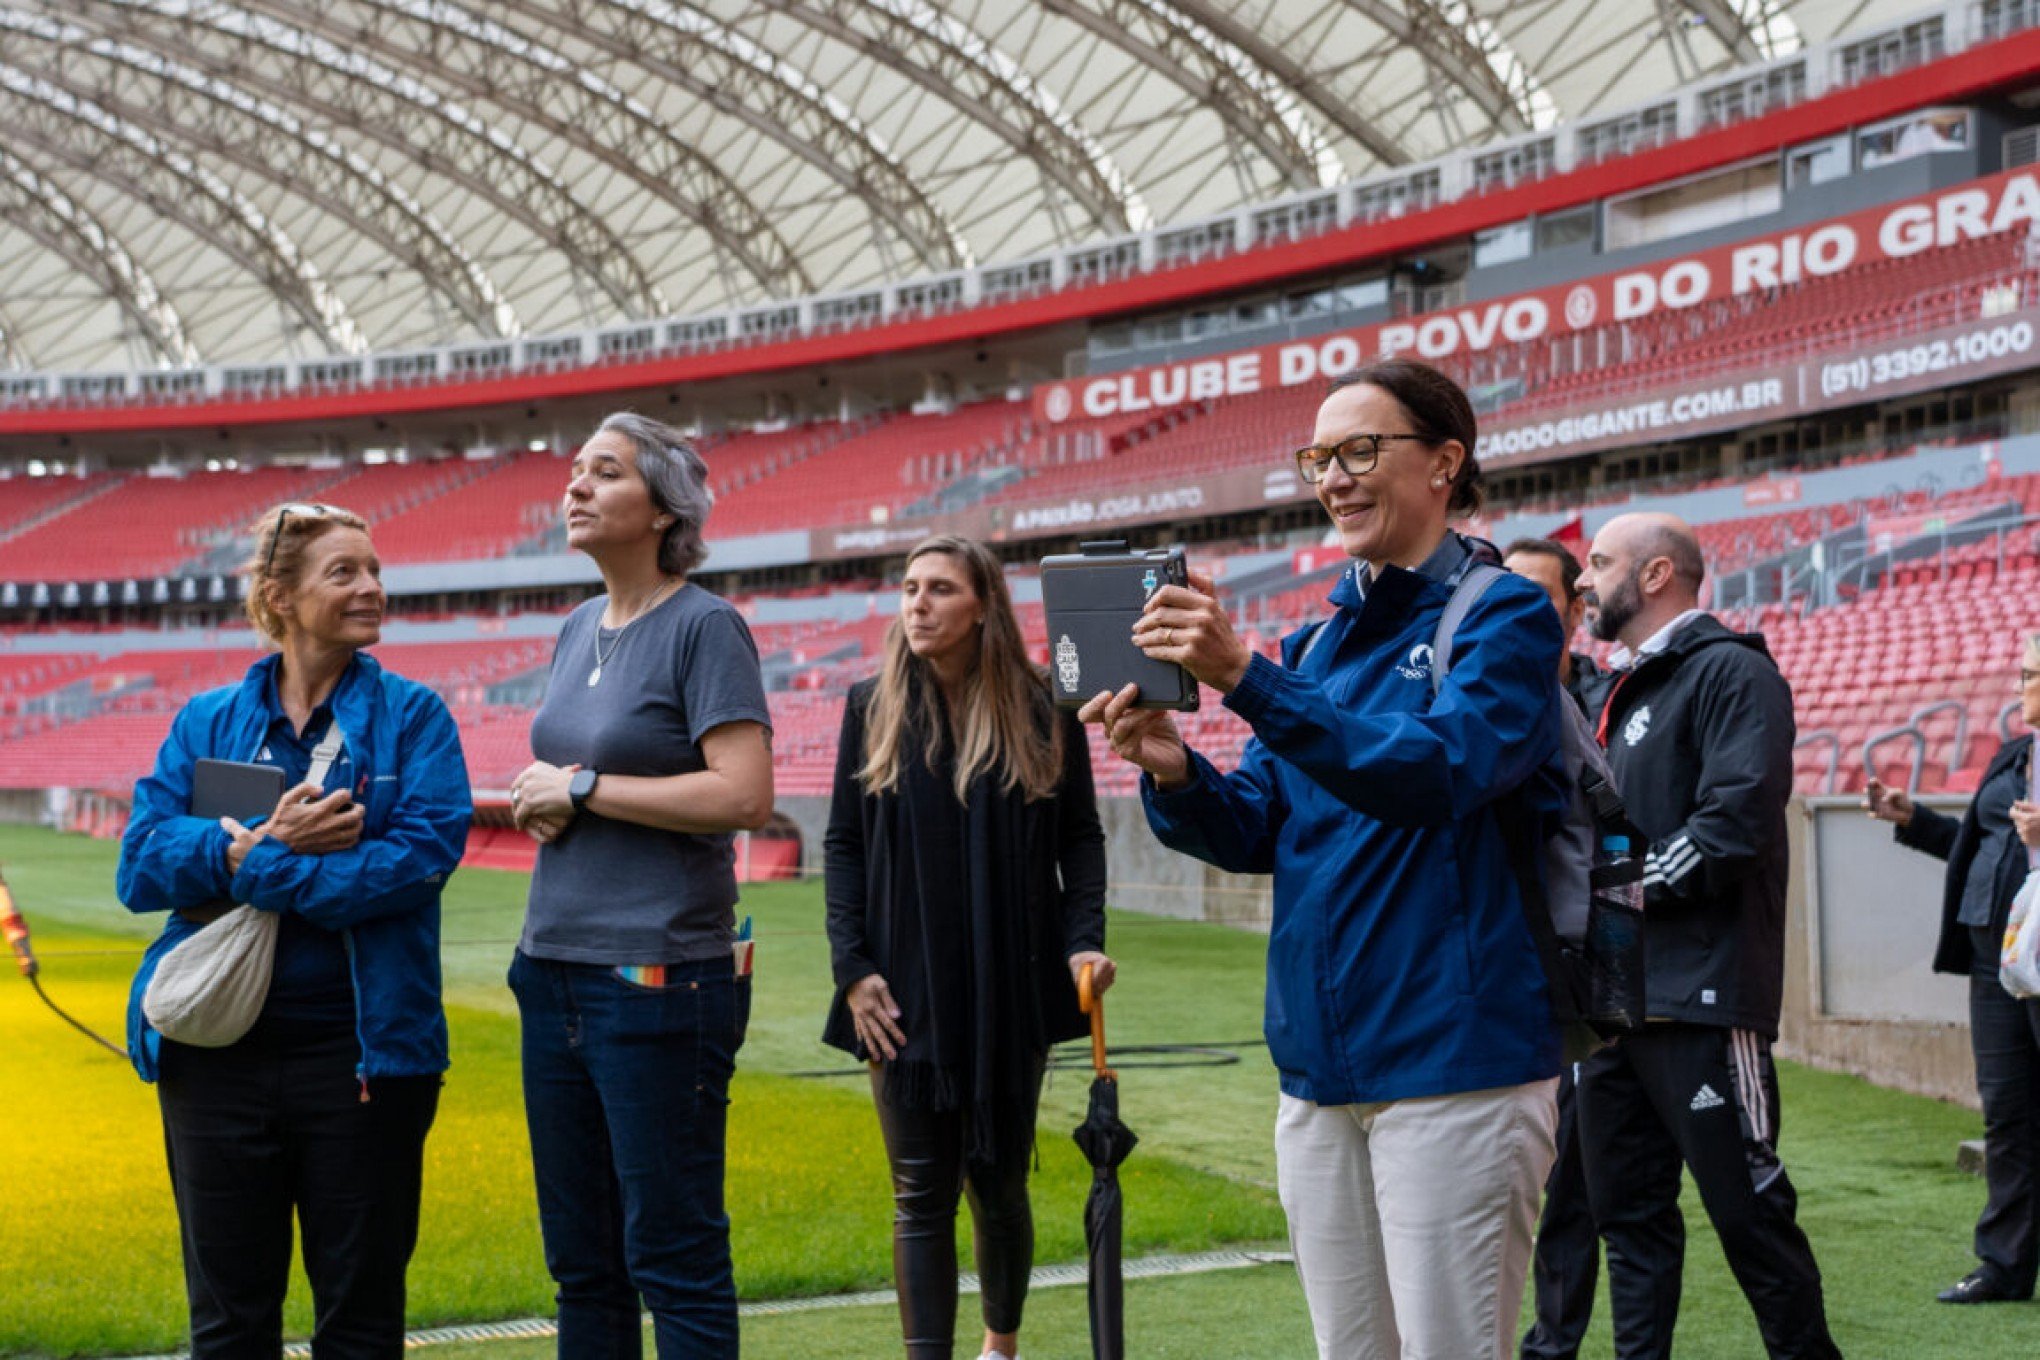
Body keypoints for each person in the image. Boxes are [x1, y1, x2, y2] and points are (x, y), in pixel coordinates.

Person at [1083, 358, 1567, 1358]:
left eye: (1360, 450)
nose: (1334, 478)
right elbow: (1260, 825)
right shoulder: (1317, 645)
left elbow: (1439, 770)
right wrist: (1176, 772)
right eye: (1318, 458)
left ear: (1444, 463)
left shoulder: (1504, 613)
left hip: (1456, 1065)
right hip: (1314, 1069)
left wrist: (1248, 679)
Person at [117, 501, 473, 1360]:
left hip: (364, 1058)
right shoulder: (207, 720)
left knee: (360, 1321)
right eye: (343, 572)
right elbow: (139, 866)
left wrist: (259, 866)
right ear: (279, 596)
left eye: (374, 569)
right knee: (229, 1321)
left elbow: (418, 859)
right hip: (214, 1060)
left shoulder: (415, 718)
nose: (372, 588)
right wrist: (250, 851)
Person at [507, 413, 774, 1360]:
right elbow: (595, 791)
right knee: (582, 1265)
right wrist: (557, 802)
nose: (575, 487)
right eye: (575, 470)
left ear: (665, 510)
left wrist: (582, 788)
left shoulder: (705, 626)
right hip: (551, 970)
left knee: (673, 1255)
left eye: (605, 473)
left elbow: (744, 794)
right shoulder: (578, 625)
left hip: (657, 979)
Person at [823, 534, 1114, 1360]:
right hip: (899, 990)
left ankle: (1001, 1346)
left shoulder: (1041, 706)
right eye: (910, 588)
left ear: (982, 604)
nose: (917, 603)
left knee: (998, 1184)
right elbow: (844, 846)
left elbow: (1081, 839)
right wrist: (854, 969)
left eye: (940, 589)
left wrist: (1081, 943)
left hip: (1010, 983)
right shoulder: (866, 705)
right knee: (918, 1195)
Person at [1572, 511, 1842, 1359]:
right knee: (1629, 1226)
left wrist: (1609, 900)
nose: (1584, 580)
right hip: (1616, 1006)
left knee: (1749, 1215)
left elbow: (1731, 825)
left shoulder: (1731, 672)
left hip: (1701, 997)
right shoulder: (1622, 688)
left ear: (1655, 575)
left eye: (1600, 562)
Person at [1865, 633, 2040, 1305]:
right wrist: (1913, 819)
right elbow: (1982, 844)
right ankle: (2005, 1265)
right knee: (2008, 1112)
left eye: (2029, 674)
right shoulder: (2017, 754)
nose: (2018, 685)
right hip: (1996, 962)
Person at [1505, 535, 1608, 1360]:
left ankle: (1560, 1340)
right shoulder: (1486, 693)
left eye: (1539, 597)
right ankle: (1549, 1342)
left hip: (1601, 970)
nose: (1519, 612)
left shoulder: (1617, 697)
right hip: (1522, 968)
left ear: (1577, 611)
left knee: (1586, 1179)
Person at [1504, 536, 1611, 720]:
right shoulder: (1466, 701)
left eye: (1536, 593)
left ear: (1577, 611)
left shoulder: (1612, 706)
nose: (1518, 606)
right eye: (1506, 593)